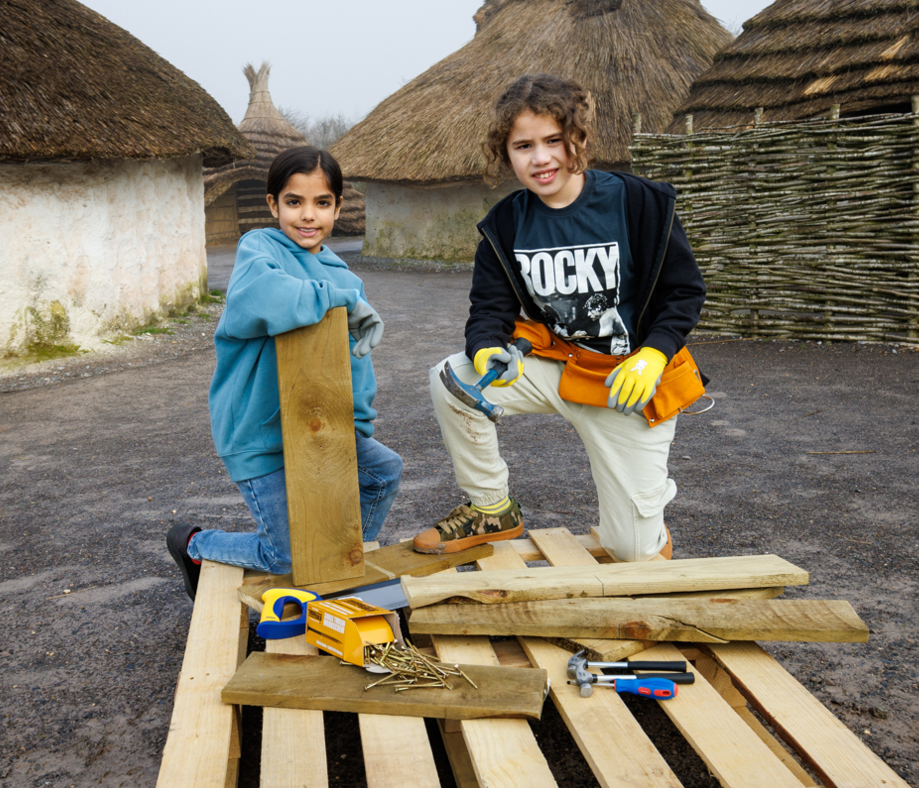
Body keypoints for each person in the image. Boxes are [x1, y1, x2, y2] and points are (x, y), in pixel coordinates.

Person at [413, 74, 706, 563]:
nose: (541, 158)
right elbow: (489, 310)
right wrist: (486, 348)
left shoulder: (639, 204)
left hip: (628, 385)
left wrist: (656, 354)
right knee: (452, 379)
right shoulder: (505, 223)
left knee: (631, 553)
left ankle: (645, 515)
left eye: (553, 140)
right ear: (506, 153)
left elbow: (684, 291)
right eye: (523, 145)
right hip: (560, 369)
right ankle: (493, 510)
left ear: (581, 140)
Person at [168, 146, 402, 598]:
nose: (307, 216)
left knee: (383, 471)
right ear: (273, 204)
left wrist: (355, 423)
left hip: (319, 426)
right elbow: (268, 296)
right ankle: (196, 545)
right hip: (260, 431)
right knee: (288, 555)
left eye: (322, 203)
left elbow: (353, 362)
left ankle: (338, 560)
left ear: (337, 206)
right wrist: (343, 302)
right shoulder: (259, 251)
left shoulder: (343, 276)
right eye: (294, 202)